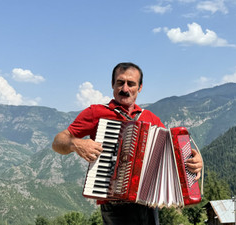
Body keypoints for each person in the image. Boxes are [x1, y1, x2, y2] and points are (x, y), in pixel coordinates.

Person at [52, 62, 203, 225]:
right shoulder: (96, 112)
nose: (125, 89)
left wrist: (195, 162)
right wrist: (77, 143)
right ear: (112, 84)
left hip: (149, 205)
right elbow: (58, 141)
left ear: (139, 87)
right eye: (120, 82)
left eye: (131, 84)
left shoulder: (151, 118)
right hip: (115, 207)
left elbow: (173, 155)